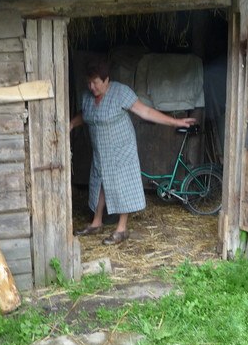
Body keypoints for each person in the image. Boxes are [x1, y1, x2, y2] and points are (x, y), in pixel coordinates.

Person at [70, 60, 196, 245]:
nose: (92, 87)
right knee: (100, 183)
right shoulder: (88, 96)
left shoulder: (121, 92)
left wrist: (176, 122)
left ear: (106, 80)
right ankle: (96, 223)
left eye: (96, 82)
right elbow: (86, 114)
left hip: (121, 149)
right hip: (101, 150)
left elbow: (145, 111)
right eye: (89, 82)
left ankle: (121, 229)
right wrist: (72, 123)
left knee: (122, 184)